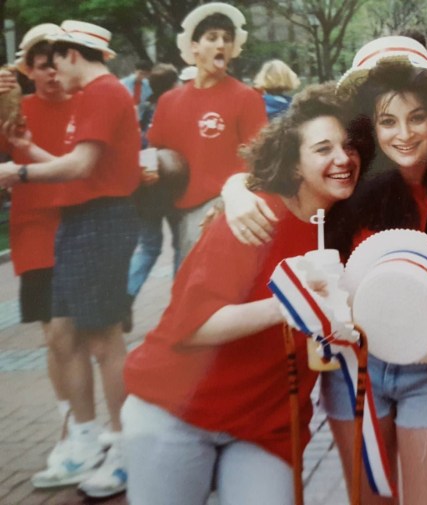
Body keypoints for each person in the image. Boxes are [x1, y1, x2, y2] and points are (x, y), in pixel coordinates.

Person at [221, 36, 427, 505]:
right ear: (368, 126)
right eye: (387, 121)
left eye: (417, 117)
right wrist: (234, 190)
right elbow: (269, 176)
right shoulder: (345, 184)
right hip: (354, 367)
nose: (405, 133)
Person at [122, 83, 362, 505]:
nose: (343, 159)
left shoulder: (349, 229)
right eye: (323, 149)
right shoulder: (254, 216)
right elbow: (191, 327)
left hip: (265, 425)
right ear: (294, 165)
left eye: (348, 146)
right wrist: (288, 304)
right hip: (178, 408)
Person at [0, 20, 142, 499]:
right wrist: (26, 152)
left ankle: (123, 447)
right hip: (80, 219)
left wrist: (17, 171)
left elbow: (80, 166)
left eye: (57, 60)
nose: (54, 72)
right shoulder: (95, 96)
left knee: (103, 339)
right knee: (68, 330)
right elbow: (81, 165)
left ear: (74, 55)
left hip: (101, 219)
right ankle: (84, 438)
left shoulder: (102, 95)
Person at [0, 23, 87, 487]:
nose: (50, 75)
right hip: (33, 231)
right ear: (27, 70)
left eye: (57, 65)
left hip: (79, 225)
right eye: (40, 66)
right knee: (54, 337)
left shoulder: (85, 104)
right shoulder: (16, 110)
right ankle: (71, 426)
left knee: (76, 336)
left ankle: (85, 429)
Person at [148, 2, 267, 270]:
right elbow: (153, 147)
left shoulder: (246, 97)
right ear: (194, 47)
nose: (221, 45)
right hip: (179, 210)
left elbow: (261, 162)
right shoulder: (169, 100)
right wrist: (147, 170)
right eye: (212, 38)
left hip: (221, 208)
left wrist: (230, 202)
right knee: (185, 288)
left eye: (227, 39)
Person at [123, 62, 180, 333]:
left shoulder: (143, 109)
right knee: (182, 245)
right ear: (173, 84)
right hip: (170, 186)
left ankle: (126, 296)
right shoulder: (172, 108)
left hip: (143, 188)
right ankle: (181, 307)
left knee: (148, 246)